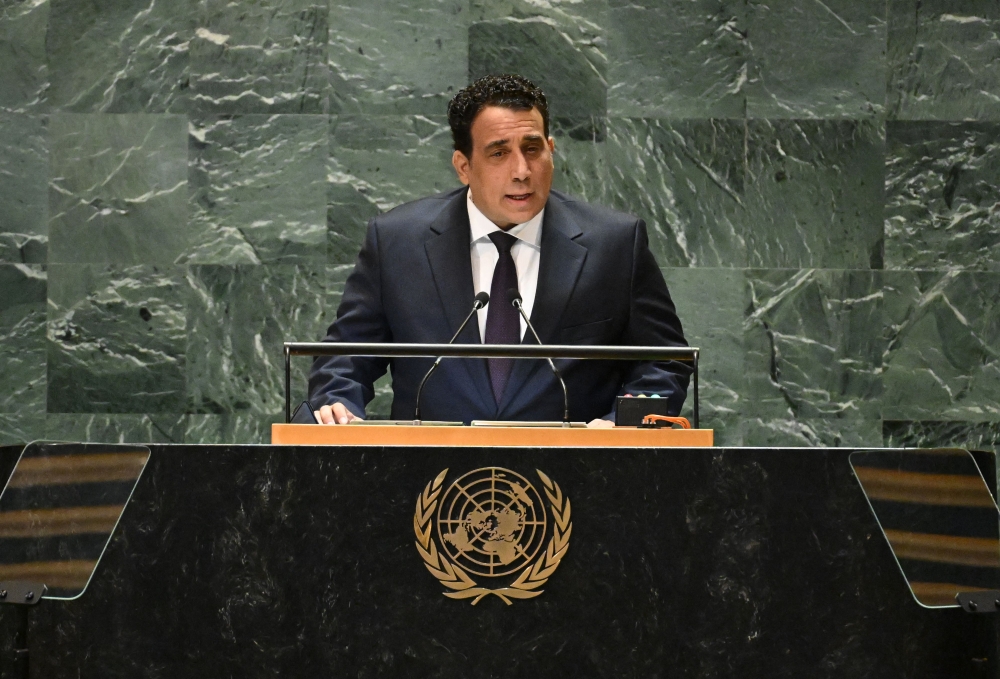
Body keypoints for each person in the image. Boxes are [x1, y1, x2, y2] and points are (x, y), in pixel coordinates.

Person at [309, 74, 689, 426]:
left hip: (579, 478)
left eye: (532, 148)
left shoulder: (614, 243)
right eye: (498, 154)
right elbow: (345, 357)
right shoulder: (397, 241)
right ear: (463, 166)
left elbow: (664, 360)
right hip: (430, 480)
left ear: (551, 149)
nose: (521, 170)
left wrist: (625, 422)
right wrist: (337, 405)